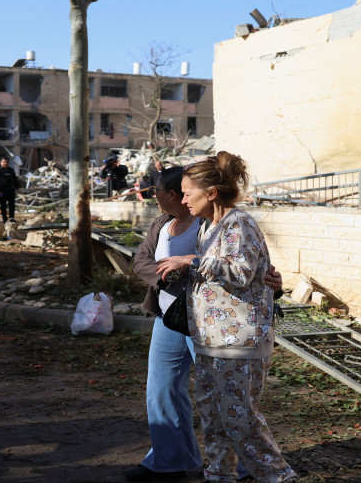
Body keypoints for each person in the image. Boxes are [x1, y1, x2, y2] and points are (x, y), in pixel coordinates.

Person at [127, 166, 283, 483]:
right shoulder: (172, 225)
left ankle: (254, 471)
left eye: (183, 193)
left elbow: (246, 270)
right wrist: (167, 273)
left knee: (233, 408)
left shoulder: (222, 222)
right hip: (180, 319)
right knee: (187, 399)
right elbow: (142, 260)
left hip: (224, 330)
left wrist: (189, 262)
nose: (155, 197)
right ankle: (179, 463)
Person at [0, 157, 20, 222]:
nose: (5, 163)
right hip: (2, 191)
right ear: (1, 162)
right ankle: (4, 219)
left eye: (7, 162)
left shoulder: (11, 170)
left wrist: (17, 188)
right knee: (3, 206)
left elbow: (15, 180)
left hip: (10, 190)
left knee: (12, 206)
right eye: (4, 162)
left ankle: (11, 218)